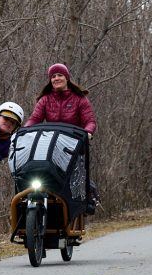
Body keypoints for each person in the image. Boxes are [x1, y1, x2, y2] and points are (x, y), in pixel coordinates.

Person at [24, 63, 98, 212]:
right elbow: (34, 119)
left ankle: (87, 199)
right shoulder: (45, 99)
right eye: (53, 76)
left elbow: (90, 121)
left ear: (67, 78)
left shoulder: (79, 99)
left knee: (75, 176)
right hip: (50, 145)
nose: (56, 78)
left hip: (73, 145)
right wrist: (25, 131)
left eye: (59, 75)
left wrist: (87, 133)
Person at [0, 101, 25, 205]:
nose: (8, 123)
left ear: (15, 127)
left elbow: (2, 154)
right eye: (6, 118)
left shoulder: (9, 143)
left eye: (12, 122)